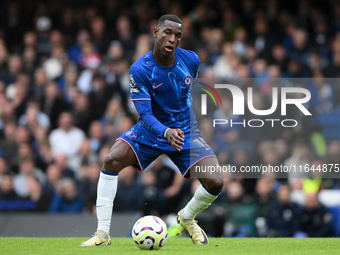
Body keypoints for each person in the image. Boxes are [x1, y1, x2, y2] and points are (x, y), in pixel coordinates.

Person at [80, 14, 223, 247]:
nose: (172, 38)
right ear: (156, 32)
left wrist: (179, 127)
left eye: (177, 35)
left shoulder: (191, 60)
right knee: (111, 160)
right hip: (152, 131)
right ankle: (102, 234)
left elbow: (184, 94)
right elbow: (144, 114)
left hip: (185, 133)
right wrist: (165, 131)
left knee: (216, 182)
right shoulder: (140, 69)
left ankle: (186, 218)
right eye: (167, 32)